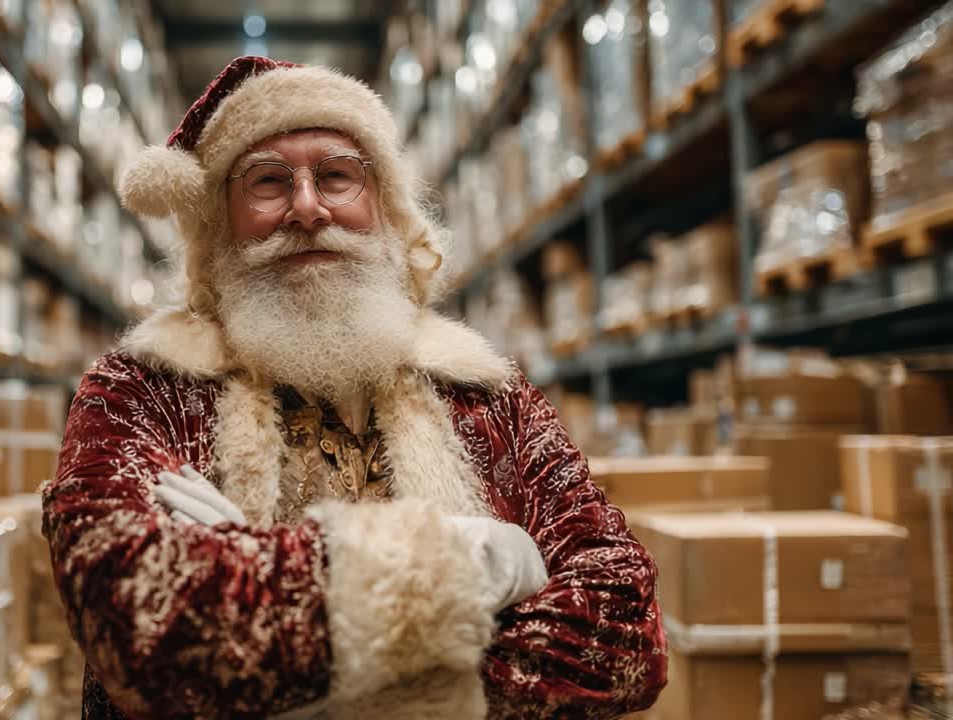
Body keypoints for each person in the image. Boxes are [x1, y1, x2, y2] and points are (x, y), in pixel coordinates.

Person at [42, 56, 667, 719]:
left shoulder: (487, 396)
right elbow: (135, 620)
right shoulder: (144, 391)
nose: (308, 207)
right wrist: (463, 563)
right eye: (267, 182)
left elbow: (625, 633)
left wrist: (259, 585)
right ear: (220, 219)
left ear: (384, 208)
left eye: (338, 175)